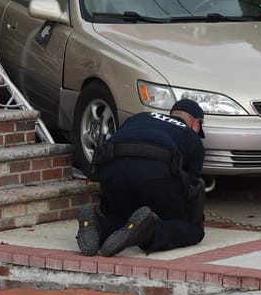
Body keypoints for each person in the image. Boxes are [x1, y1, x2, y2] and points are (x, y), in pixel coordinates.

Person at [75, 99, 207, 257]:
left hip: (112, 170)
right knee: (191, 229)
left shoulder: (140, 117)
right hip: (153, 172)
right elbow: (193, 187)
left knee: (125, 217)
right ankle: (149, 232)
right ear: (196, 124)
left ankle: (99, 226)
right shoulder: (191, 137)